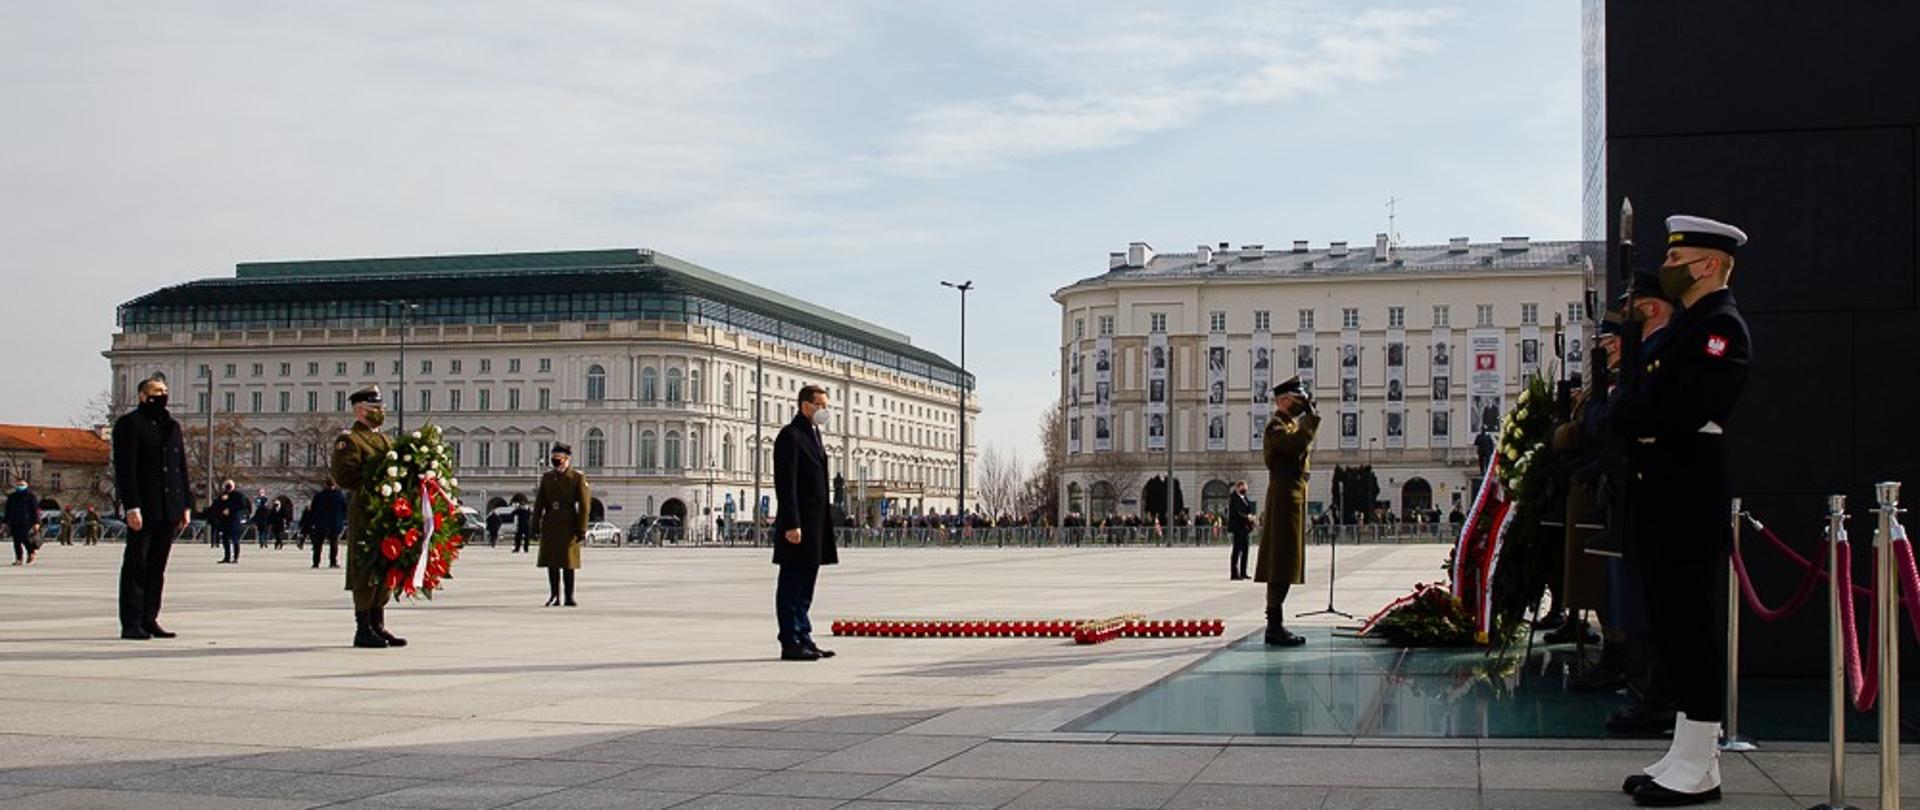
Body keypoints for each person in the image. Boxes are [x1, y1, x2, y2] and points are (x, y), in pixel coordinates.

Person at [1611, 215, 1751, 807]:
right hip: (1662, 494)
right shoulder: (1688, 326)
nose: (1668, 269)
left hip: (1685, 497)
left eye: (1678, 259)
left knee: (1690, 630)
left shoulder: (1719, 328)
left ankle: (1700, 765)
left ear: (1710, 265)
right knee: (1671, 628)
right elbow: (1644, 397)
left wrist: (1630, 412)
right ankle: (1687, 752)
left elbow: (1680, 409)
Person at [111, 375, 192, 640]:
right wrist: (131, 505)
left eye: (165, 390)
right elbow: (126, 469)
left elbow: (181, 468)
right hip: (145, 505)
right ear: (143, 396)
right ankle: (131, 621)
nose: (163, 395)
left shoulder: (172, 426)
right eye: (157, 391)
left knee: (157, 566)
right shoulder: (129, 425)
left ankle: (150, 617)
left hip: (170, 506)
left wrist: (186, 505)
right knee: (137, 564)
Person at [332, 385, 404, 649]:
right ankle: (362, 628)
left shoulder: (386, 440)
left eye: (382, 408)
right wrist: (378, 476)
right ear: (360, 410)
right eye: (375, 408)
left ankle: (378, 624)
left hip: (389, 511)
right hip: (366, 511)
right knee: (365, 569)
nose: (381, 412)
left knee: (386, 566)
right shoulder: (349, 439)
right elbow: (345, 476)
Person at [772, 384, 838, 661]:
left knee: (807, 583)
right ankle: (790, 639)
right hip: (798, 524)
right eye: (820, 405)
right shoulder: (791, 435)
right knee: (792, 583)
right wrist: (791, 523)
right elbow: (786, 484)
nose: (824, 410)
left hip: (815, 524)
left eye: (826, 405)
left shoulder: (814, 435)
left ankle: (805, 635)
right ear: (805, 405)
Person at [1256, 376, 1320, 646]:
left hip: (1291, 498)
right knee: (1281, 562)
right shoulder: (1276, 426)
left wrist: (1306, 418)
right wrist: (1310, 418)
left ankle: (1276, 623)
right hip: (1283, 499)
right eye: (1297, 399)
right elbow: (1295, 446)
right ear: (1282, 401)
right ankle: (1274, 625)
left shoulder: (1289, 424)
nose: (1302, 403)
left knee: (1287, 562)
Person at [534, 443, 589, 607]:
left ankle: (569, 596)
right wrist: (534, 525)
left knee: (568, 562)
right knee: (551, 562)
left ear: (567, 459)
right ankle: (554, 595)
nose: (555, 462)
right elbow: (540, 503)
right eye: (554, 458)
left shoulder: (577, 478)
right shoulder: (547, 477)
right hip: (551, 522)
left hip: (568, 523)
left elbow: (585, 505)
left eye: (558, 459)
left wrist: (582, 528)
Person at [308, 480, 347, 569]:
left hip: (321, 523)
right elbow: (344, 509)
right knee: (333, 543)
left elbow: (313, 509)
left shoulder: (319, 496)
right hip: (334, 522)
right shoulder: (338, 496)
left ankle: (316, 562)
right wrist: (341, 519)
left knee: (318, 544)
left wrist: (314, 521)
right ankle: (333, 561)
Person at [212, 480, 249, 564]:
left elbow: (242, 505)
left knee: (235, 539)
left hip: (234, 520)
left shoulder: (238, 495)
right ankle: (227, 557)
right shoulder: (223, 495)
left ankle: (236, 557)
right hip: (225, 521)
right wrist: (221, 501)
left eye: (229, 485)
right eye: (227, 485)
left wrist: (230, 510)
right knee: (225, 539)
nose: (228, 487)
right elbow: (217, 506)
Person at [6, 478, 39, 565]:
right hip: (14, 521)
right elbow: (8, 510)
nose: (20, 486)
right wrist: (5, 522)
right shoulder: (12, 496)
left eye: (22, 485)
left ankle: (31, 551)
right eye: (18, 485)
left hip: (26, 521)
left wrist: (36, 522)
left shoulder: (31, 496)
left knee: (24, 538)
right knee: (16, 541)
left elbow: (35, 510)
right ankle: (19, 558)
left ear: (26, 485)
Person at [1227, 480, 1255, 580]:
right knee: (1237, 550)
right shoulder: (1234, 498)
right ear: (1238, 488)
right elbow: (1237, 512)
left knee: (1245, 550)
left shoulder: (1245, 498)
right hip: (1238, 527)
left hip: (1245, 528)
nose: (1245, 489)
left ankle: (1243, 572)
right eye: (1243, 487)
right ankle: (1234, 573)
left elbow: (1249, 510)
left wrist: (1251, 517)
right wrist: (1247, 517)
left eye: (1246, 488)